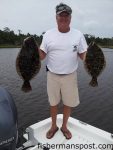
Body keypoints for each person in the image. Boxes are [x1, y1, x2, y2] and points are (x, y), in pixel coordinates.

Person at [39, 3, 87, 139]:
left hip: (70, 76)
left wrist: (94, 57)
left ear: (70, 18)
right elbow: (41, 56)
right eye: (61, 16)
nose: (64, 18)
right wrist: (29, 49)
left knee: (68, 103)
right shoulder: (48, 34)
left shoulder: (78, 35)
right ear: (56, 17)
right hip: (52, 75)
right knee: (53, 103)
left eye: (67, 16)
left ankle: (64, 126)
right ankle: (53, 126)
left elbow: (84, 55)